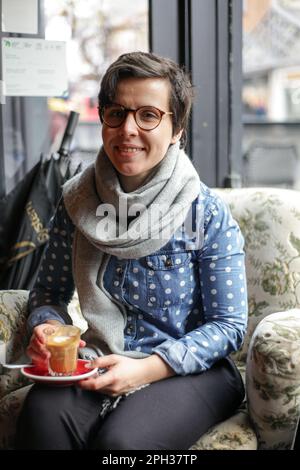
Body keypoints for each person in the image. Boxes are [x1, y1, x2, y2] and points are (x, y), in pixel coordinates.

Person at [16, 51, 247, 450]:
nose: (128, 129)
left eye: (148, 115)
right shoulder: (76, 203)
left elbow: (229, 325)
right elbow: (48, 295)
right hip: (98, 358)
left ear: (176, 129)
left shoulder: (205, 212)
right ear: (103, 118)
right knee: (41, 421)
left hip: (191, 369)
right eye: (117, 113)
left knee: (123, 444)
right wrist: (47, 326)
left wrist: (147, 369)